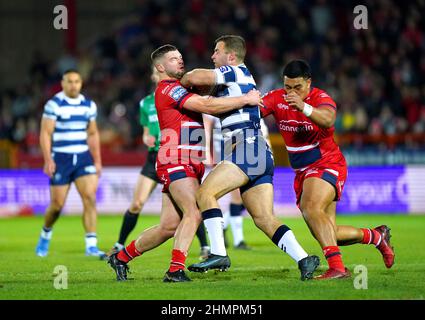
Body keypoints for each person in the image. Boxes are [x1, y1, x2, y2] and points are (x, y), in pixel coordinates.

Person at [107, 44, 262, 282]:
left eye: (180, 57)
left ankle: (121, 258)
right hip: (176, 159)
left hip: (191, 160)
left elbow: (208, 101)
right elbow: (206, 106)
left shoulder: (180, 88)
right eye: (173, 59)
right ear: (160, 67)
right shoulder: (168, 89)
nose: (180, 61)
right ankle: (175, 270)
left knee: (168, 226)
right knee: (194, 211)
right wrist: (245, 98)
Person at [180, 35, 319, 281]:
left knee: (204, 194)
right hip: (261, 152)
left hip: (246, 147)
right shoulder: (238, 79)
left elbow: (191, 77)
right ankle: (304, 258)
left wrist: (180, 80)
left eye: (216, 51)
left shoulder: (232, 71)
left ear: (230, 56)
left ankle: (218, 252)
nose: (212, 56)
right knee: (264, 219)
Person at [261, 59, 395, 279]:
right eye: (287, 87)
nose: (292, 92)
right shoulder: (277, 98)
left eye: (297, 87)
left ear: (309, 83)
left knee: (310, 208)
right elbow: (252, 111)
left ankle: (337, 268)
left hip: (326, 163)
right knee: (328, 232)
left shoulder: (320, 98)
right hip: (302, 172)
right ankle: (376, 236)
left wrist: (303, 106)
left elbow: (328, 118)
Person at [108, 67, 210, 260]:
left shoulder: (181, 94)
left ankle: (121, 257)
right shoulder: (147, 103)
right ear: (155, 74)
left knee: (170, 225)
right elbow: (146, 130)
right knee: (144, 204)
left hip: (177, 156)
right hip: (164, 158)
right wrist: (147, 137)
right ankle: (176, 266)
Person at [35, 69, 105, 258]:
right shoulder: (54, 104)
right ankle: (45, 233)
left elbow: (92, 133)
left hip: (82, 157)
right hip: (61, 159)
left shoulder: (89, 105)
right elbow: (45, 133)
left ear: (81, 83)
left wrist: (97, 161)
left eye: (76, 81)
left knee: (90, 198)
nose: (73, 85)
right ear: (63, 83)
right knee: (57, 206)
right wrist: (48, 159)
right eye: (69, 81)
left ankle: (91, 244)